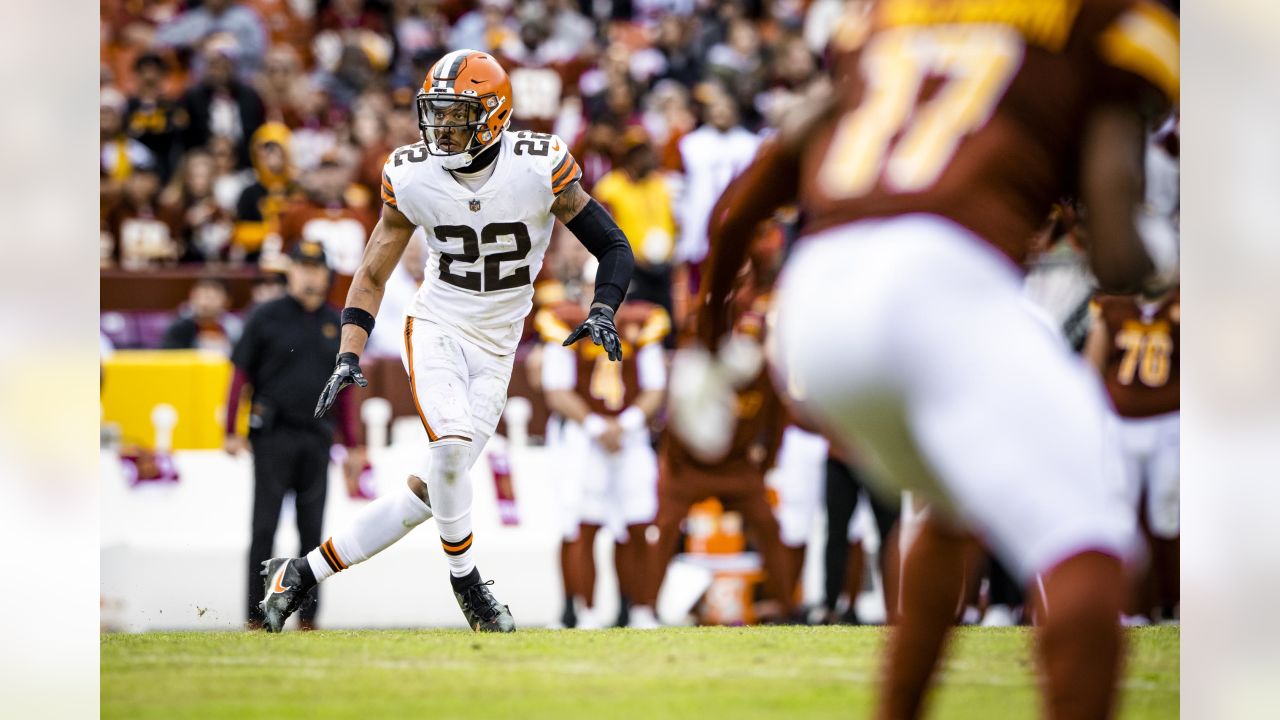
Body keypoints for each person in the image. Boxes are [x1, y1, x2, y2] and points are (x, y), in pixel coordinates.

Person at [691, 2, 1178, 717]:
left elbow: (745, 201)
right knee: (1092, 538)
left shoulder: (889, 19)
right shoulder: (1104, 22)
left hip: (818, 304)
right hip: (943, 279)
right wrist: (1165, 254)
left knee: (948, 507)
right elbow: (1115, 257)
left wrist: (703, 345)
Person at [257, 50, 634, 633]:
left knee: (433, 492)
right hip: (437, 325)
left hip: (500, 344)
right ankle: (470, 588)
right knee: (452, 447)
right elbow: (373, 273)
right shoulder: (411, 173)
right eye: (436, 113)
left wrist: (604, 306)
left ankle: (298, 575)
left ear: (494, 115)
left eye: (457, 115)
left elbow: (614, 245)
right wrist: (349, 351)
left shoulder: (538, 165)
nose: (441, 127)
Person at [225, 241, 362, 630]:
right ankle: (255, 616)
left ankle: (309, 620)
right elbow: (239, 374)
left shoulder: (337, 323)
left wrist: (353, 445)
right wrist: (230, 429)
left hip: (318, 438)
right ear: (290, 272)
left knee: (313, 536)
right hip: (272, 437)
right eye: (302, 266)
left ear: (326, 274)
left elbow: (346, 390)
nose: (309, 274)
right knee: (263, 530)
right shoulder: (265, 316)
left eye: (316, 268)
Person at [537, 297, 670, 629]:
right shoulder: (564, 322)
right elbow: (556, 391)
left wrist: (625, 424)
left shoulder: (644, 322)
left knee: (638, 523)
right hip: (583, 438)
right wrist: (597, 427)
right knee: (582, 524)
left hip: (631, 435)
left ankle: (641, 608)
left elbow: (655, 388)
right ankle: (585, 611)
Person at [1086, 285, 1180, 623]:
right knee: (1120, 515)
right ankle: (1130, 608)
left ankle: (1176, 602)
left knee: (1170, 515)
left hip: (1172, 422)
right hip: (1118, 422)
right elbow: (1092, 367)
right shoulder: (1112, 304)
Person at [161, 277, 242, 355]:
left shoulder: (235, 328)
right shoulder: (179, 326)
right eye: (199, 296)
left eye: (211, 298)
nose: (204, 303)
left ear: (227, 301)